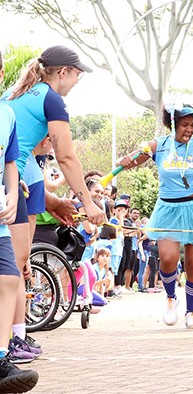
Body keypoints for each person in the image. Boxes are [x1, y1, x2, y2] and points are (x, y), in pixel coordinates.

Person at [2, 46, 105, 361]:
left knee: (14, 267)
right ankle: (12, 341)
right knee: (14, 267)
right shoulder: (51, 98)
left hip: (19, 175)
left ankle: (16, 338)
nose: (76, 82)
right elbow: (66, 156)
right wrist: (88, 203)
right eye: (76, 76)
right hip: (15, 179)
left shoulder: (19, 91)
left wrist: (54, 201)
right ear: (63, 72)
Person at [117, 103, 193, 328]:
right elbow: (131, 161)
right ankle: (171, 298)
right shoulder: (158, 146)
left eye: (192, 125)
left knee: (192, 265)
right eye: (184, 124)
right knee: (169, 259)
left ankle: (191, 312)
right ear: (172, 124)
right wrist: (124, 161)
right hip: (168, 209)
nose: (189, 129)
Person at [0, 49, 39, 393]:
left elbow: (11, 162)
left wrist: (12, 195)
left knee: (10, 278)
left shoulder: (7, 115)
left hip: (0, 217)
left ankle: (0, 358)